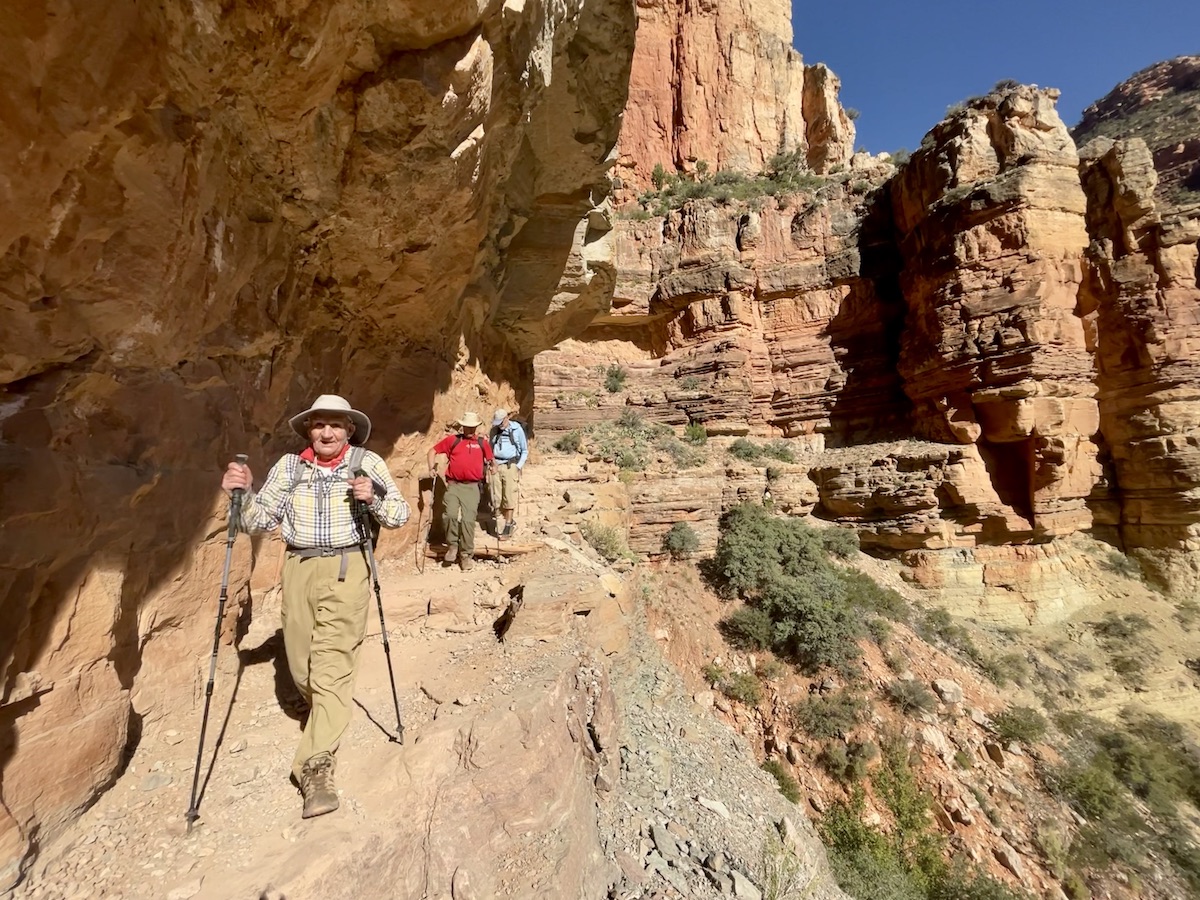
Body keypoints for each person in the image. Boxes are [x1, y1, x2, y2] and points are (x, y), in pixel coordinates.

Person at [220, 394, 409, 819]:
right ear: (309, 430)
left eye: (336, 425)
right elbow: (258, 521)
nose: (327, 432)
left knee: (333, 663)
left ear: (349, 430)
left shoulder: (367, 463)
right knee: (301, 662)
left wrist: (373, 498)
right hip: (299, 566)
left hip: (349, 565)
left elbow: (400, 515)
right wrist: (241, 494)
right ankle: (319, 704)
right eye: (319, 424)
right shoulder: (289, 468)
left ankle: (315, 764)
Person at [427, 411, 493, 571]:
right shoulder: (454, 440)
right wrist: (431, 467)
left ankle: (466, 555)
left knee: (468, 521)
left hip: (472, 487)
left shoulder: (482, 442)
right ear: (462, 426)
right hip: (454, 485)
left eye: (472, 427)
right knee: (449, 514)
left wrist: (493, 466)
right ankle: (452, 546)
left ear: (476, 427)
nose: (469, 430)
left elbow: (491, 459)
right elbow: (432, 451)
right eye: (466, 427)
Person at [489, 408, 528, 539]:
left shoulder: (517, 430)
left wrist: (518, 466)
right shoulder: (494, 430)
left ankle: (508, 524)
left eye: (501, 422)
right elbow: (490, 448)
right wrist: (491, 462)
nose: (499, 425)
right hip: (496, 466)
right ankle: (501, 520)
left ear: (506, 419)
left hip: (511, 465)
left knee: (509, 495)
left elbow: (524, 450)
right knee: (496, 496)